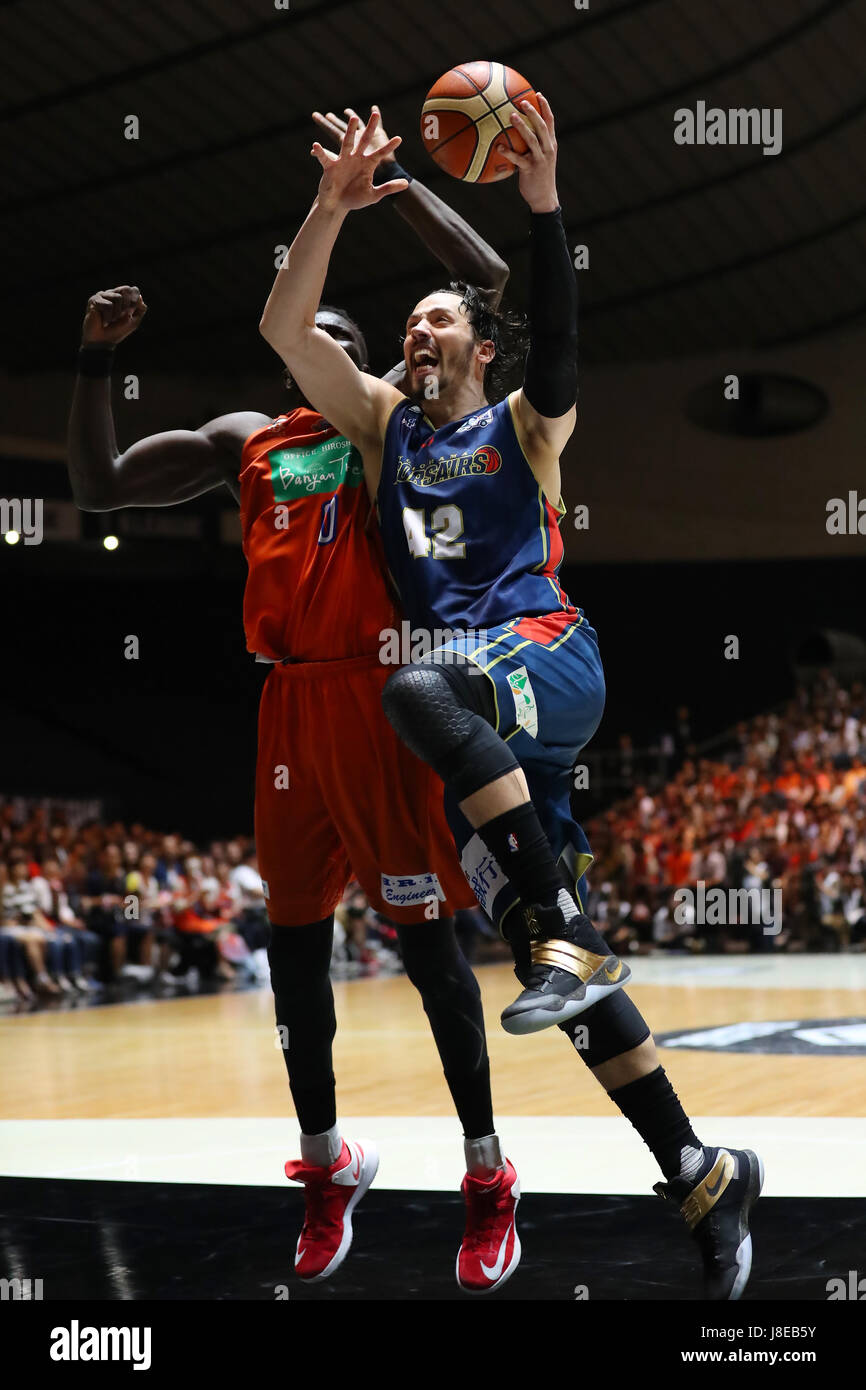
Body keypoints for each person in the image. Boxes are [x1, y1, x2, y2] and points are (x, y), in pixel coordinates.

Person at [260, 100, 763, 1300]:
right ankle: (698, 1169)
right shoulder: (381, 430)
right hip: (479, 735)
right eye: (409, 322)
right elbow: (286, 327)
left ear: (481, 347)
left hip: (542, 656)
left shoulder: (526, 428)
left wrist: (541, 208)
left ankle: (566, 935)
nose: (417, 329)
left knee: (416, 685)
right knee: (555, 966)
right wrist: (330, 207)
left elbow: (562, 343)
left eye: (436, 317)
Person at [67, 106, 520, 1295]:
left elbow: (492, 283)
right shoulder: (247, 437)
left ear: (359, 358)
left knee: (430, 956)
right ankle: (328, 1164)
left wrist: (401, 190)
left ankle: (486, 1172)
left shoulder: (394, 426)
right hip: (285, 713)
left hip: (382, 701)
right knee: (294, 961)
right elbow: (99, 486)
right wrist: (94, 360)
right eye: (301, 335)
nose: (310, 345)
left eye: (335, 336)